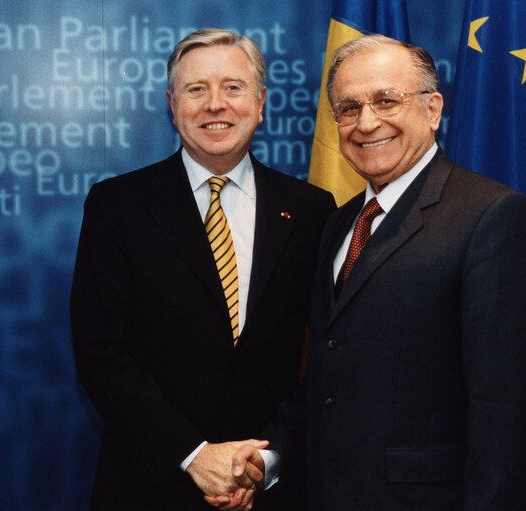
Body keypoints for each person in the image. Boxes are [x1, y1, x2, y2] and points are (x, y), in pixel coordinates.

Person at [227, 34, 526, 511]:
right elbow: (327, 379)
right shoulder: (339, 223)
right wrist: (271, 461)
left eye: (386, 101)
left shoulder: (491, 215)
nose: (366, 122)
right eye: (349, 108)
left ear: (433, 109)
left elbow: (504, 416)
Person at [69, 28, 335, 511]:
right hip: (149, 488)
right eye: (196, 89)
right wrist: (194, 457)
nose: (216, 104)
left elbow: (324, 353)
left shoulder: (313, 209)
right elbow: (98, 352)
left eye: (233, 87)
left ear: (260, 102)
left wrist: (266, 460)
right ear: (173, 105)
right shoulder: (117, 206)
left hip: (271, 488)